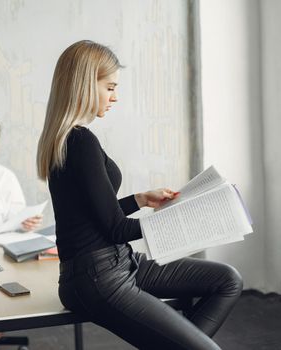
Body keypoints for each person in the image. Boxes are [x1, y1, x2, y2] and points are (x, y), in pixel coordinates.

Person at [36, 40, 242, 350]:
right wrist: (186, 216)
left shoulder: (69, 140)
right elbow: (115, 228)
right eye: (110, 87)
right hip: (99, 277)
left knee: (227, 279)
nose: (115, 97)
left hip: (117, 263)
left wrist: (141, 200)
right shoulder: (80, 142)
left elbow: (93, 216)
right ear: (85, 84)